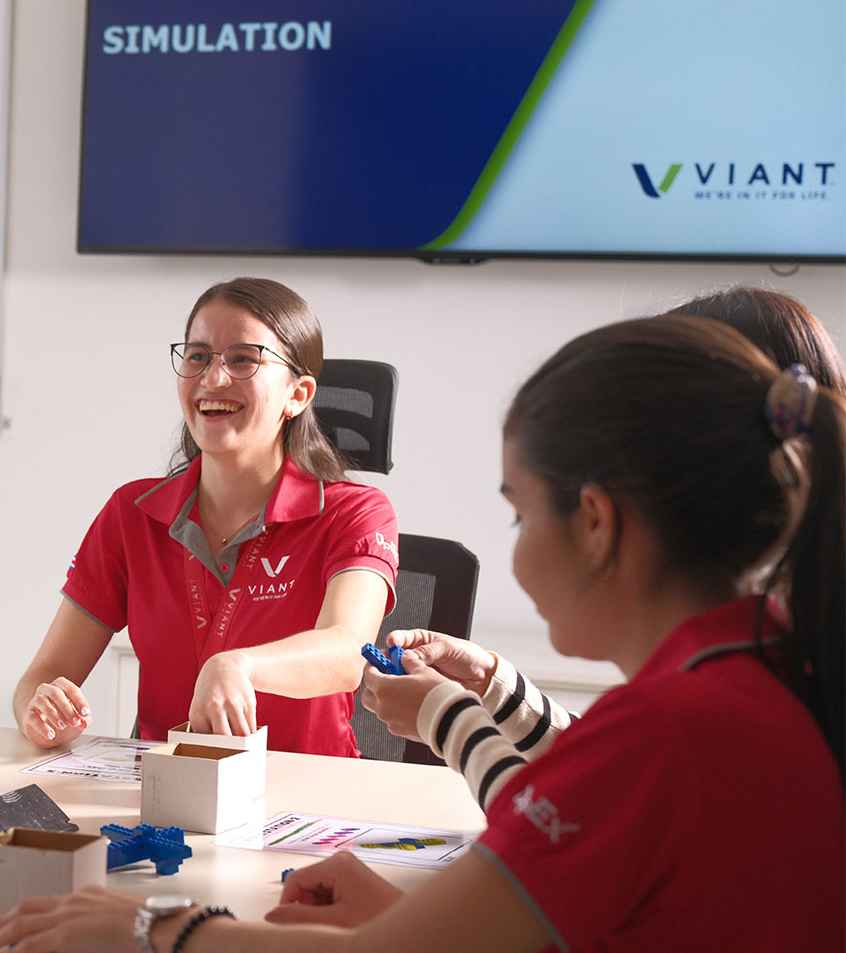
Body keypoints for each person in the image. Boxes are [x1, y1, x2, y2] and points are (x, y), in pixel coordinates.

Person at [0, 317, 844, 953]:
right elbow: (638, 951)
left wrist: (154, 928)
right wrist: (408, 920)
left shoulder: (659, 735)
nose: (512, 554)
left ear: (596, 522)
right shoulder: (772, 672)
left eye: (517, 515)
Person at [361, 283, 843, 803]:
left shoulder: (712, 700)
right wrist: (492, 688)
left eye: (521, 516)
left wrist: (448, 721)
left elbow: (575, 817)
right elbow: (621, 779)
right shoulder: (774, 643)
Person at [15, 277, 397, 754]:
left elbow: (347, 652)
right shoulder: (131, 513)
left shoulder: (354, 512)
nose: (212, 379)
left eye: (243, 359)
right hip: (162, 793)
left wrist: (237, 665)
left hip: (304, 797)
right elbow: (42, 676)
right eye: (198, 357)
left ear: (297, 395)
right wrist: (40, 710)